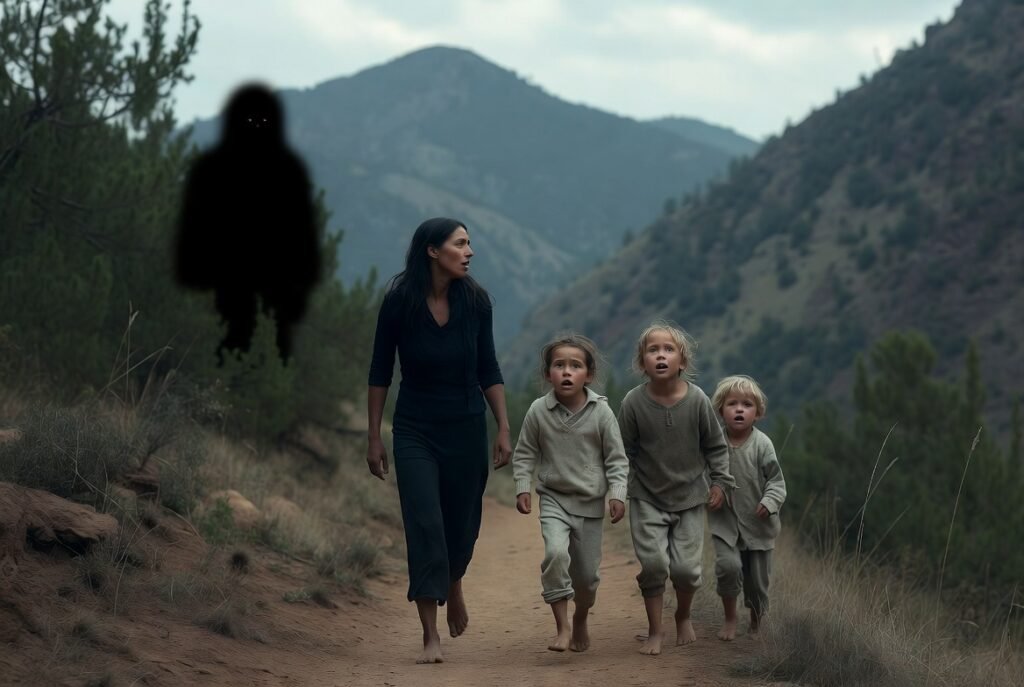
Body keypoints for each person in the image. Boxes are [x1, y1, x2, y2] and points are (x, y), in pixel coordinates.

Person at [365, 217, 512, 665]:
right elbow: (379, 372)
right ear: (433, 251)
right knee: (425, 522)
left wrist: (503, 426)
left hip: (467, 427)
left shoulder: (477, 303)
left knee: (461, 524)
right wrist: (374, 435)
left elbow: (488, 367)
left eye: (469, 244)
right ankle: (430, 634)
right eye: (460, 244)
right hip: (415, 430)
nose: (469, 252)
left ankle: (454, 580)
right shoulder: (399, 304)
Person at [175, 82, 320, 363]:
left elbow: (304, 248)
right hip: (223, 301)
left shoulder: (287, 172)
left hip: (265, 302)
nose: (255, 127)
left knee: (257, 373)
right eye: (250, 120)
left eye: (262, 121)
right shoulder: (213, 171)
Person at [617, 320, 735, 655]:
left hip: (689, 498)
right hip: (647, 497)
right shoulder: (633, 403)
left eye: (668, 349)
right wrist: (619, 492)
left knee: (686, 570)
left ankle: (683, 615)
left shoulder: (698, 400)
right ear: (642, 362)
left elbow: (715, 445)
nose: (661, 355)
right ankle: (656, 631)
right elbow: (623, 450)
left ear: (682, 361)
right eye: (653, 350)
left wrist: (720, 482)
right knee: (654, 565)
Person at [512, 334, 628, 653]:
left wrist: (617, 494)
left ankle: (580, 617)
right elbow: (524, 455)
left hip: (590, 505)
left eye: (575, 366)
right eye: (559, 365)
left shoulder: (601, 413)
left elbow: (617, 459)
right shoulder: (538, 411)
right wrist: (523, 487)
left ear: (588, 375)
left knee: (587, 579)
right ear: (548, 373)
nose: (566, 372)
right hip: (554, 499)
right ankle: (562, 627)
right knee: (555, 555)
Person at [708, 375, 786, 640]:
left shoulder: (762, 445)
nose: (739, 409)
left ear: (758, 413)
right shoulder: (714, 443)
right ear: (720, 410)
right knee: (728, 568)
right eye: (732, 404)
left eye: (747, 404)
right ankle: (730, 619)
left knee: (757, 585)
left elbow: (776, 482)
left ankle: (756, 623)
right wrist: (708, 491)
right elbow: (700, 474)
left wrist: (769, 501)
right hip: (725, 523)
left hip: (759, 527)